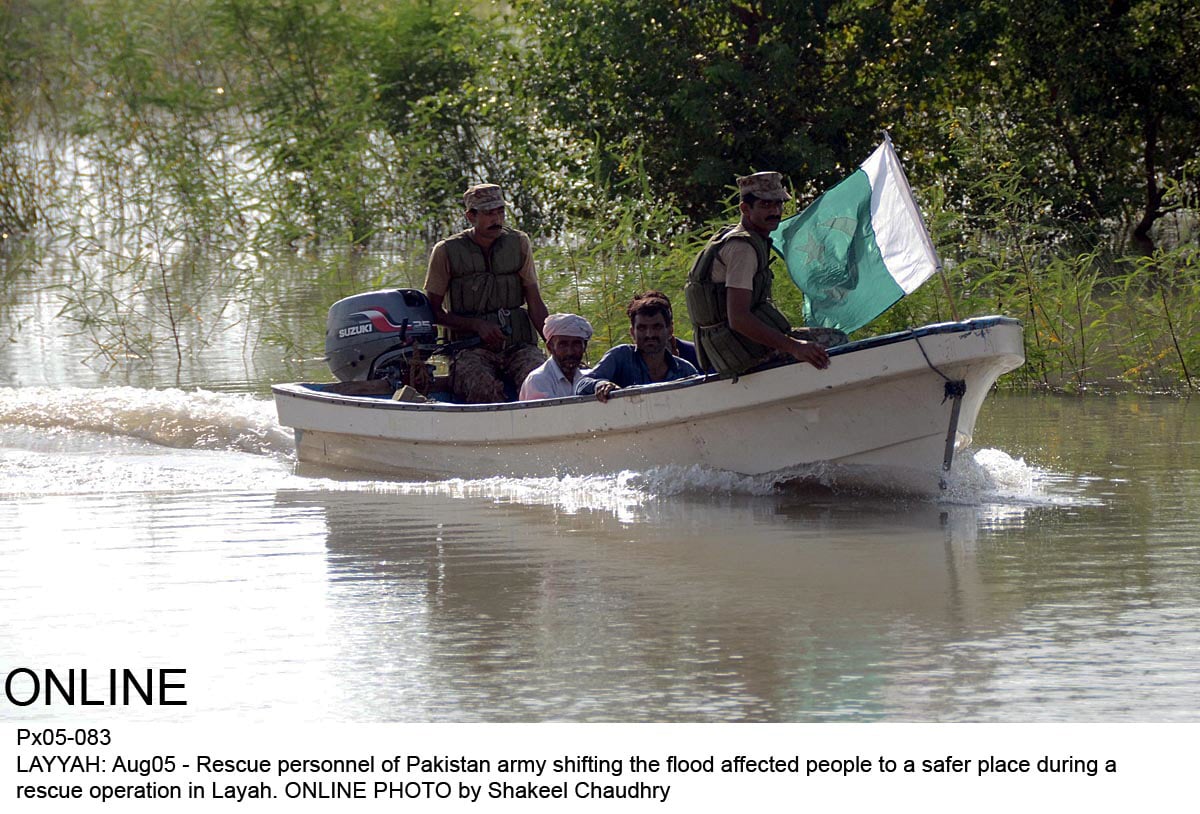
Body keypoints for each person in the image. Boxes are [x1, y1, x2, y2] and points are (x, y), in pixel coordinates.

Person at [684, 171, 844, 377]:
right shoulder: (742, 248)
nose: (775, 211)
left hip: (733, 346)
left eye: (778, 204)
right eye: (766, 205)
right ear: (745, 208)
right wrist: (795, 347)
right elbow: (739, 319)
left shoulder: (739, 238)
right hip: (740, 350)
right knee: (837, 343)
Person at [424, 183, 549, 403]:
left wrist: (554, 341)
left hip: (518, 347)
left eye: (500, 211)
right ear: (471, 216)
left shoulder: (519, 243)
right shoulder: (445, 251)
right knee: (481, 389)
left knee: (541, 382)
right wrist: (476, 325)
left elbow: (535, 303)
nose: (497, 219)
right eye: (489, 213)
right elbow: (432, 312)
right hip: (469, 350)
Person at [576, 292, 699, 403]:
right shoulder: (620, 357)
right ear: (632, 332)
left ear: (670, 330)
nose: (649, 334)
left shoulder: (685, 371)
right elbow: (581, 385)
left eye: (656, 327)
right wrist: (601, 385)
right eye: (642, 328)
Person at [518, 313, 594, 401]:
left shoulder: (588, 377)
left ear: (584, 346)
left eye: (576, 344)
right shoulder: (538, 380)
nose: (570, 352)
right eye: (563, 345)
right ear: (550, 347)